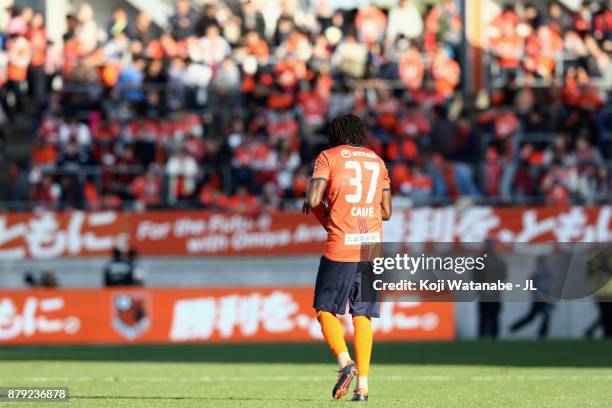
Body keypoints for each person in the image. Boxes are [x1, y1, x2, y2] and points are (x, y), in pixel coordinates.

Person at [303, 113, 391, 401]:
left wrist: (311, 198)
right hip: (371, 246)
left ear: (336, 134)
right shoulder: (377, 161)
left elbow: (315, 199)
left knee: (324, 310)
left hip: (341, 244)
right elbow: (387, 212)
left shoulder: (328, 157)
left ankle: (345, 362)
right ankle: (363, 388)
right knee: (363, 315)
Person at [510, 256, 553, 338]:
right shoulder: (538, 273)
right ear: (541, 263)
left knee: (532, 317)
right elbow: (530, 284)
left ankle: (513, 328)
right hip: (539, 299)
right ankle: (541, 335)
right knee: (542, 316)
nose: (548, 263)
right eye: (546, 262)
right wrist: (538, 295)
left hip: (543, 298)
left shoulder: (547, 272)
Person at [474, 239, 507, 339]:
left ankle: (486, 339)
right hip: (490, 294)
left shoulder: (496, 261)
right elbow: (476, 277)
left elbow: (475, 277)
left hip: (489, 294)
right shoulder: (498, 261)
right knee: (491, 318)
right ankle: (491, 338)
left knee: (488, 318)